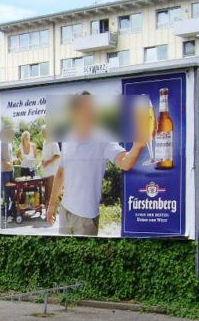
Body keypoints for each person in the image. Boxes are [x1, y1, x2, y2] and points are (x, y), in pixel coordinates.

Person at [46, 92, 143, 236]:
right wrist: (51, 205)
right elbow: (60, 172)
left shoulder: (103, 138)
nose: (91, 112)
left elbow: (124, 162)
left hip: (87, 218)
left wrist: (138, 145)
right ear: (74, 112)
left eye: (92, 108)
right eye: (85, 108)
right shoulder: (68, 137)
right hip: (65, 211)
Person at [39, 125, 60, 215]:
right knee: (47, 193)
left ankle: (53, 213)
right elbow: (45, 157)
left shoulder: (53, 141)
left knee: (52, 194)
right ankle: (49, 212)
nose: (42, 135)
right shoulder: (45, 142)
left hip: (52, 172)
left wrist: (47, 162)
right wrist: (42, 162)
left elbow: (57, 156)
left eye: (43, 133)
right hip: (46, 172)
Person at [0, 126, 16, 221]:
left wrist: (14, 160)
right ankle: (7, 215)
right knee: (7, 194)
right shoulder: (1, 143)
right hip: (4, 172)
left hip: (11, 171)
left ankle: (11, 213)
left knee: (13, 194)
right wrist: (5, 163)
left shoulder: (10, 143)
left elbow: (10, 156)